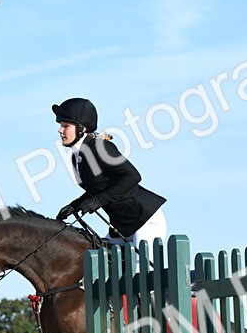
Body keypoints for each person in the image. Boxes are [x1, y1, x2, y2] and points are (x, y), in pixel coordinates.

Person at [52, 97, 168, 248]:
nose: (60, 130)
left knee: (140, 270)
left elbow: (132, 176)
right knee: (97, 262)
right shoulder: (77, 157)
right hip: (121, 227)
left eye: (65, 125)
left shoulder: (101, 147)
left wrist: (98, 201)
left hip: (145, 221)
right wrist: (75, 206)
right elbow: (97, 189)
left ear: (82, 128)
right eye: (61, 125)